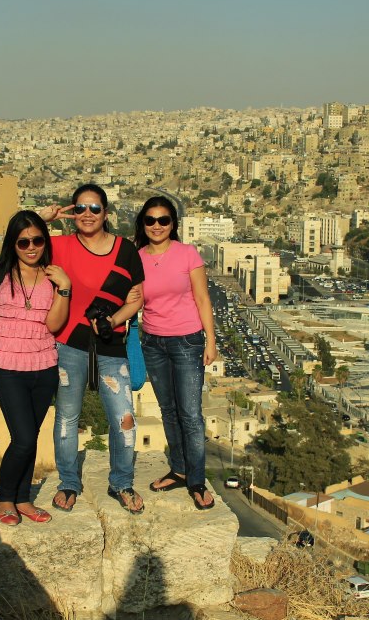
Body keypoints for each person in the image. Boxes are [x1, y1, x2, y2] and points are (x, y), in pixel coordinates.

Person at [39, 184, 146, 514]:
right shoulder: (60, 246)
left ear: (106, 213)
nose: (87, 214)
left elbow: (137, 298)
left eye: (94, 208)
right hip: (69, 343)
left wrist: (112, 320)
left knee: (124, 418)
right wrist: (42, 219)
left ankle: (122, 483)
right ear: (72, 212)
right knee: (68, 419)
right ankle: (68, 482)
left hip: (110, 345)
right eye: (81, 208)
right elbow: (17, 242)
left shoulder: (124, 250)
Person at [0, 210, 72, 526]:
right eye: (23, 241)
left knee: (30, 436)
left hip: (44, 365)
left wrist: (65, 290)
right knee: (24, 438)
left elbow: (55, 324)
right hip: (6, 364)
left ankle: (23, 500)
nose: (31, 247)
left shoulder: (52, 276)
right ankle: (5, 497)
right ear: (12, 243)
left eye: (37, 240)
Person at [134, 196, 218, 510]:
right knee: (168, 411)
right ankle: (180, 469)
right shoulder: (137, 257)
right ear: (143, 223)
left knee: (191, 415)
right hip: (153, 342)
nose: (157, 226)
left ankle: (197, 481)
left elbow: (203, 299)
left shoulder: (187, 254)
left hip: (187, 341)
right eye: (150, 220)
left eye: (164, 220)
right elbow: (135, 299)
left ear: (173, 224)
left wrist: (211, 341)